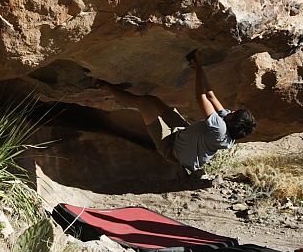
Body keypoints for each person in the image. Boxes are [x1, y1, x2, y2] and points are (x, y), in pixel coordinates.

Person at [92, 49, 256, 175]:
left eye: (233, 113)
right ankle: (119, 92)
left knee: (144, 103)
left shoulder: (220, 130)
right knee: (154, 100)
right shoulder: (227, 124)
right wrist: (199, 66)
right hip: (183, 134)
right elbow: (211, 96)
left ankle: (104, 86)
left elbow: (201, 97)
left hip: (170, 149)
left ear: (231, 121)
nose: (231, 111)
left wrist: (198, 65)